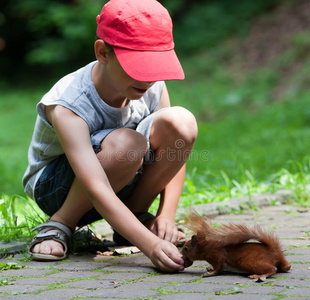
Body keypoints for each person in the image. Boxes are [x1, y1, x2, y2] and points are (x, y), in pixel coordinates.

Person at [23, 0, 198, 273]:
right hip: (58, 187)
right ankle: (59, 225)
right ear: (103, 52)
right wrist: (150, 245)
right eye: (139, 65)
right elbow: (95, 185)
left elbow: (175, 150)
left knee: (181, 122)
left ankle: (133, 220)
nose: (149, 78)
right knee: (128, 143)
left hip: (123, 180)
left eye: (155, 65)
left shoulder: (150, 84)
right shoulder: (69, 101)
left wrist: (166, 215)